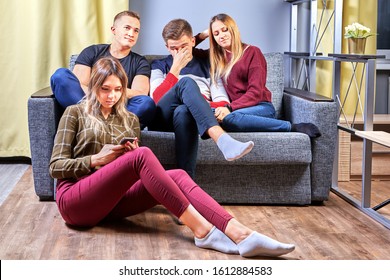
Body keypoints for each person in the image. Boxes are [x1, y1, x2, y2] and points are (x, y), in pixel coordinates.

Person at [49, 56, 295, 258]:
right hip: (76, 202)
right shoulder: (75, 113)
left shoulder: (129, 119)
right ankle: (202, 231)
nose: (111, 96)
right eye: (105, 89)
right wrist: (96, 160)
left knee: (177, 174)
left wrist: (124, 161)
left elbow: (130, 173)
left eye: (117, 90)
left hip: (111, 203)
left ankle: (240, 232)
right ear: (93, 87)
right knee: (143, 155)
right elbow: (56, 167)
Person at [149, 18, 254, 178]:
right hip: (163, 119)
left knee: (184, 110)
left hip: (190, 118)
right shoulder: (159, 65)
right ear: (167, 47)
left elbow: (223, 102)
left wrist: (194, 102)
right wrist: (175, 69)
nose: (179, 52)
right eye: (173, 48)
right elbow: (156, 99)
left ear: (193, 42)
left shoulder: (208, 66)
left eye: (183, 46)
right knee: (186, 83)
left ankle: (186, 184)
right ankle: (222, 139)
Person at [208, 13, 321, 137]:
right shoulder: (218, 58)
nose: (221, 36)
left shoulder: (252, 52)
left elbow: (255, 92)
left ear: (233, 30)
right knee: (206, 113)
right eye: (216, 33)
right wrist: (205, 34)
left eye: (225, 30)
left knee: (229, 119)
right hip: (237, 110)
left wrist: (229, 108)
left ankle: (291, 126)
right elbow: (191, 49)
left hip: (261, 107)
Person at [50, 10, 155, 128]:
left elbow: (139, 93)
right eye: (127, 28)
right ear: (113, 30)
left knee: (146, 103)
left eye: (136, 30)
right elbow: (79, 85)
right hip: (89, 104)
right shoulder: (92, 51)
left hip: (119, 110)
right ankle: (97, 122)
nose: (131, 33)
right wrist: (102, 94)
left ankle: (98, 126)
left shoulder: (140, 62)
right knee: (60, 75)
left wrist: (110, 92)